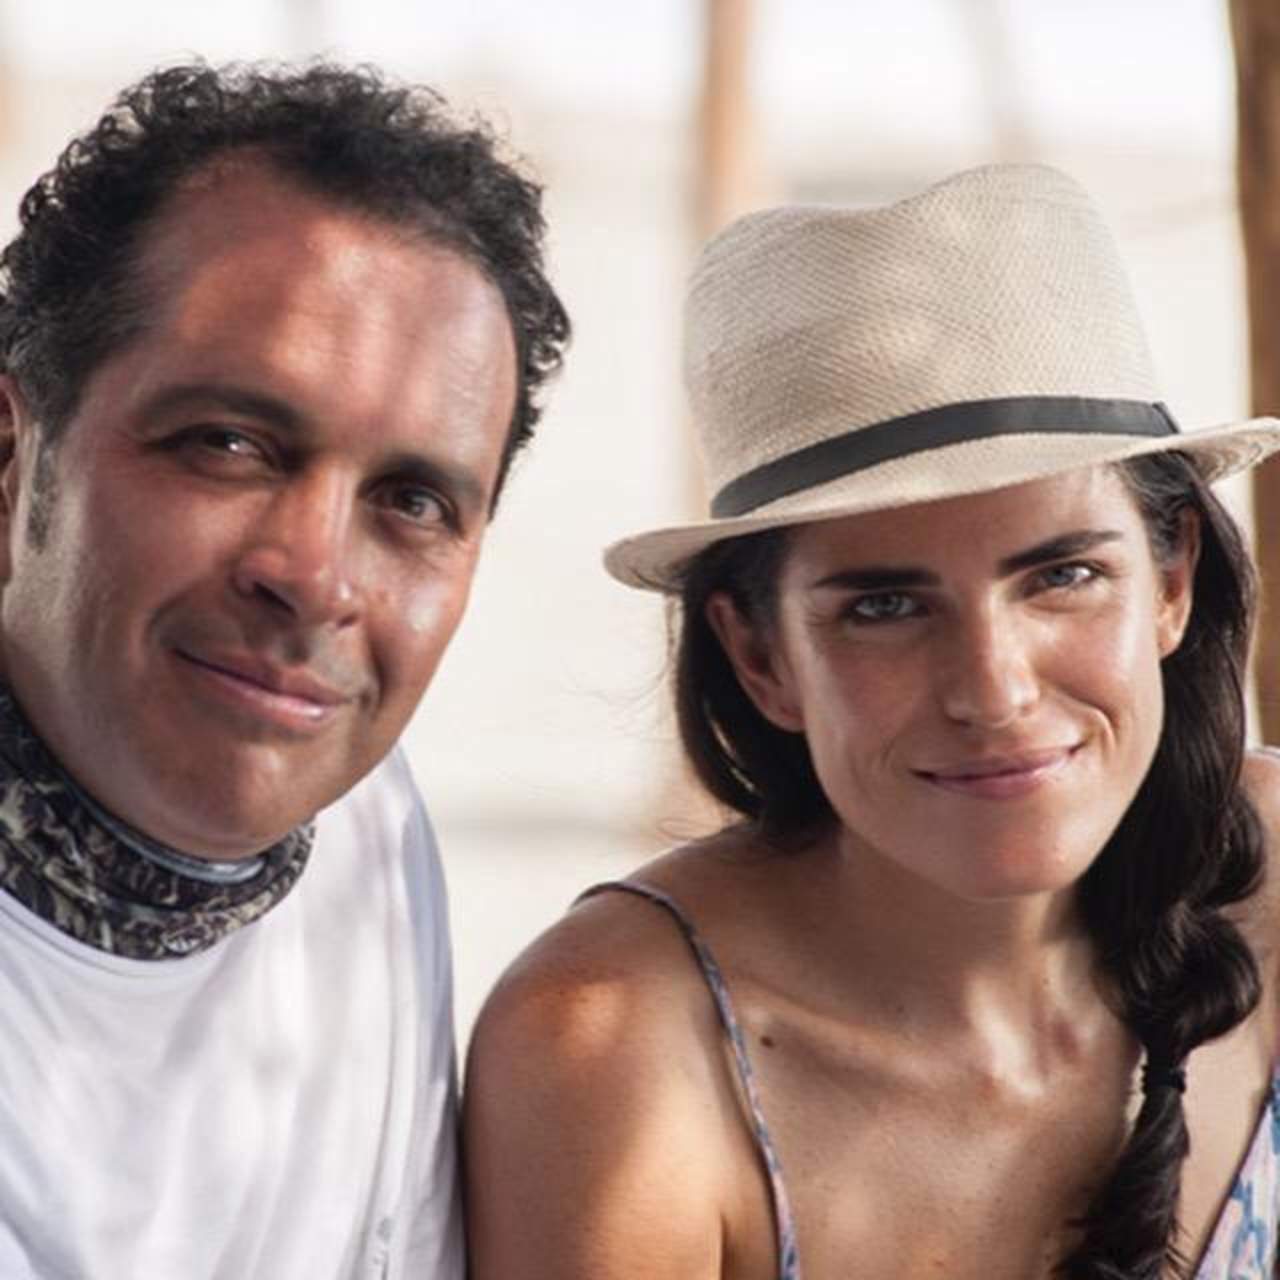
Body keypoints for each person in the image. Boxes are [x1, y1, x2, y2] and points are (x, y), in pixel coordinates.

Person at [464, 164, 1280, 1280]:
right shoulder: (621, 1047)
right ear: (759, 656)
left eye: (1063, 576)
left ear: (1171, 581)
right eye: (885, 607)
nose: (993, 689)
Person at [0, 60, 567, 1279]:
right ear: (12, 457)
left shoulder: (362, 827)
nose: (315, 578)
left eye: (411, 501)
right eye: (229, 444)